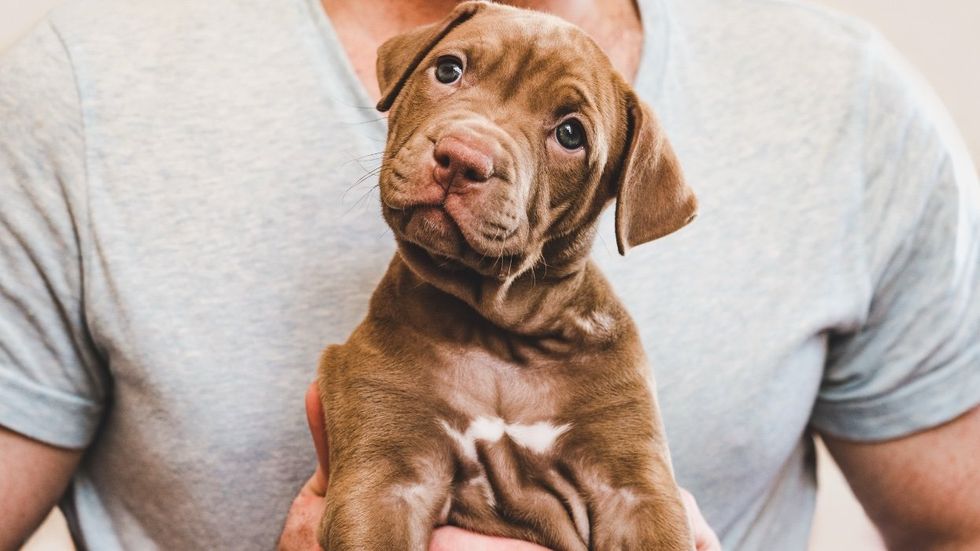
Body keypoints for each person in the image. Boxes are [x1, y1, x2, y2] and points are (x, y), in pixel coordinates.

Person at [0, 0, 977, 549]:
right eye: (450, 73)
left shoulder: (849, 101)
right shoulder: (78, 90)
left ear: (613, 194)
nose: (467, 144)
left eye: (563, 134)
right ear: (401, 73)